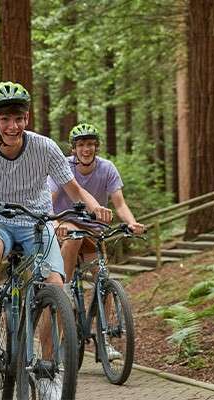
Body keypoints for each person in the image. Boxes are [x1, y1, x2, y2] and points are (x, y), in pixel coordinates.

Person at [0, 82, 111, 396]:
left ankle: (46, 369)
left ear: (26, 118)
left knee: (57, 289)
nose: (12, 126)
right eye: (4, 119)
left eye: (18, 118)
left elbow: (72, 188)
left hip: (37, 222)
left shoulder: (45, 147)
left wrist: (94, 205)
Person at [49, 123, 145, 361]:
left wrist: (132, 223)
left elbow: (119, 204)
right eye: (81, 145)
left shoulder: (107, 168)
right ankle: (68, 288)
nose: (86, 149)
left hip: (94, 228)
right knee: (73, 236)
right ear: (73, 149)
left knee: (103, 280)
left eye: (90, 144)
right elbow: (49, 199)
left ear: (96, 147)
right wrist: (51, 223)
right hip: (65, 222)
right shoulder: (63, 167)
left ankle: (104, 342)